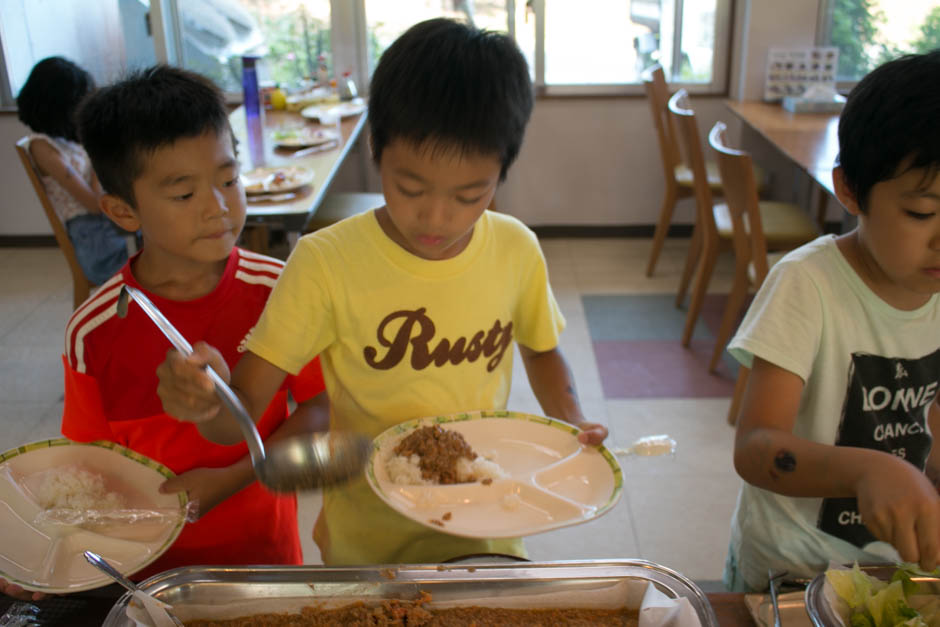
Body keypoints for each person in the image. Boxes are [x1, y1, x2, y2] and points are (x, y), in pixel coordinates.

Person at [155, 18, 608, 566]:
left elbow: (541, 349)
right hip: (369, 539)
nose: (437, 218)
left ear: (502, 172)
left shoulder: (515, 248)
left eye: (471, 195)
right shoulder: (327, 262)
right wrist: (207, 402)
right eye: (410, 187)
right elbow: (240, 416)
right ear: (374, 147)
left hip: (486, 520)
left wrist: (574, 418)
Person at [0, 65, 328, 602]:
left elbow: (320, 411)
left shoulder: (280, 293)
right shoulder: (94, 331)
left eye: (228, 179)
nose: (219, 205)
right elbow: (84, 468)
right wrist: (42, 555)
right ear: (122, 210)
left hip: (263, 563)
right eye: (183, 194)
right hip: (143, 576)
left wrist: (231, 479)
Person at [724, 50, 940, 593]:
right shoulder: (808, 285)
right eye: (922, 213)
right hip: (790, 569)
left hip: (893, 571)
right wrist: (868, 469)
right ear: (850, 190)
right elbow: (755, 447)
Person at [17, 56, 129, 285]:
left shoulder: (68, 138)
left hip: (107, 225)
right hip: (94, 237)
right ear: (59, 106)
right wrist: (100, 156)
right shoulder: (42, 147)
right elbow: (93, 203)